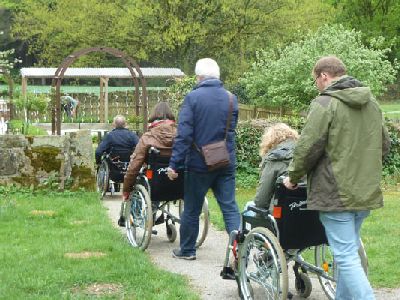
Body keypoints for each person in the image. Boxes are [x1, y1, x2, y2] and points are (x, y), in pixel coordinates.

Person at [283, 56, 391, 300]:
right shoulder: (371, 103)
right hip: (364, 192)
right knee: (347, 253)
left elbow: (308, 147)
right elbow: (384, 145)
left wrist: (293, 176)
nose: (317, 86)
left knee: (345, 256)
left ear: (324, 76)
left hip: (335, 192)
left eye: (316, 81)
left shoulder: (325, 103)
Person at [167, 58, 240, 260]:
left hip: (199, 164)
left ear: (199, 77)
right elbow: (230, 131)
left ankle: (188, 250)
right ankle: (240, 249)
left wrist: (174, 164)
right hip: (225, 161)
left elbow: (184, 135)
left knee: (192, 208)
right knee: (230, 206)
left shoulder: (193, 98)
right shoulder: (231, 99)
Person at [118, 102, 176, 226]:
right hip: (178, 184)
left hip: (155, 183)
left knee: (141, 178)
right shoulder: (182, 135)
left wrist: (126, 189)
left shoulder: (148, 137)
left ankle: (141, 216)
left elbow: (134, 166)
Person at [246, 123, 299, 212]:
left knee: (249, 206)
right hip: (308, 212)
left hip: (279, 213)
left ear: (270, 140)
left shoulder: (274, 158)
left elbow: (261, 201)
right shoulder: (306, 155)